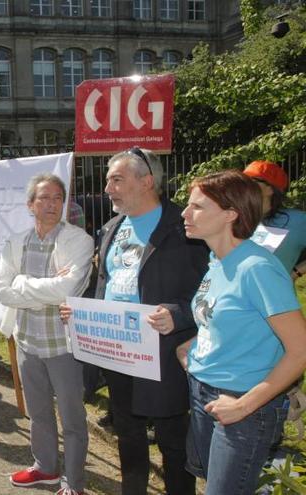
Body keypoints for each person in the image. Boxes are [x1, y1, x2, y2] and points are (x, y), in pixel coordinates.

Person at [63, 147, 208, 495]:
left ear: (146, 181)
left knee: (172, 440)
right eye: (107, 181)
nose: (107, 189)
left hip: (166, 354)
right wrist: (82, 312)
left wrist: (179, 315)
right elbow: (106, 282)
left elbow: (212, 288)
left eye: (116, 180)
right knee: (127, 433)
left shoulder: (184, 227)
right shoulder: (112, 227)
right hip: (119, 352)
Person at [178, 170, 306, 494]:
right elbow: (223, 320)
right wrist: (191, 348)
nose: (184, 213)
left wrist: (243, 406)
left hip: (242, 406)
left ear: (230, 214)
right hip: (203, 393)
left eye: (197, 207)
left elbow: (301, 350)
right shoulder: (217, 260)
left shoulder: (257, 268)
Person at [0, 175, 93, 495]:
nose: (52, 204)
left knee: (72, 419)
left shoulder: (78, 240)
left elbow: (68, 288)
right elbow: (3, 293)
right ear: (30, 205)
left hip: (62, 345)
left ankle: (74, 484)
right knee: (38, 413)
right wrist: (44, 288)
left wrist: (22, 283)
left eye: (57, 198)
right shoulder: (15, 243)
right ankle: (46, 469)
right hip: (27, 341)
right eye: (44, 198)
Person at [242, 160, 306, 277]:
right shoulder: (235, 219)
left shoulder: (297, 221)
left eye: (251, 181)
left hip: (276, 294)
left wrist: (296, 272)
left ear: (270, 189)